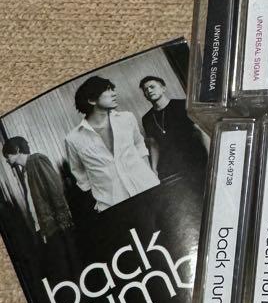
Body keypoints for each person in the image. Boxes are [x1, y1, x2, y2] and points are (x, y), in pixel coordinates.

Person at [64, 75, 159, 211]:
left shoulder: (127, 118)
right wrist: (102, 199)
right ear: (91, 100)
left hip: (149, 190)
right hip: (113, 207)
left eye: (112, 89)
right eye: (108, 90)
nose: (114, 93)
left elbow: (140, 146)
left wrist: (149, 174)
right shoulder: (73, 139)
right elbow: (80, 175)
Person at [2, 136, 73, 241]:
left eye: (7, 155)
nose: (6, 160)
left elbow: (55, 189)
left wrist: (64, 221)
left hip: (56, 226)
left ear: (17, 150)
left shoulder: (37, 160)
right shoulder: (25, 170)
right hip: (47, 228)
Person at [139, 75, 208, 181]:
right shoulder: (147, 118)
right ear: (145, 96)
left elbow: (202, 131)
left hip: (198, 158)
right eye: (145, 90)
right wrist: (154, 169)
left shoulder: (183, 104)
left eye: (152, 87)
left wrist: (211, 155)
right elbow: (153, 144)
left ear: (163, 88)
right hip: (174, 166)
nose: (149, 91)